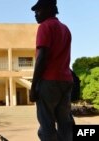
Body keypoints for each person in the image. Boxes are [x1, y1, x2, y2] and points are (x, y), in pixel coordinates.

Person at [30, 0, 74, 141]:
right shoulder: (65, 29)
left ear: (49, 9)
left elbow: (42, 57)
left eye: (38, 11)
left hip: (49, 82)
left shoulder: (45, 26)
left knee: (47, 124)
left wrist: (33, 86)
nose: (35, 14)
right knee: (65, 123)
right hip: (66, 81)